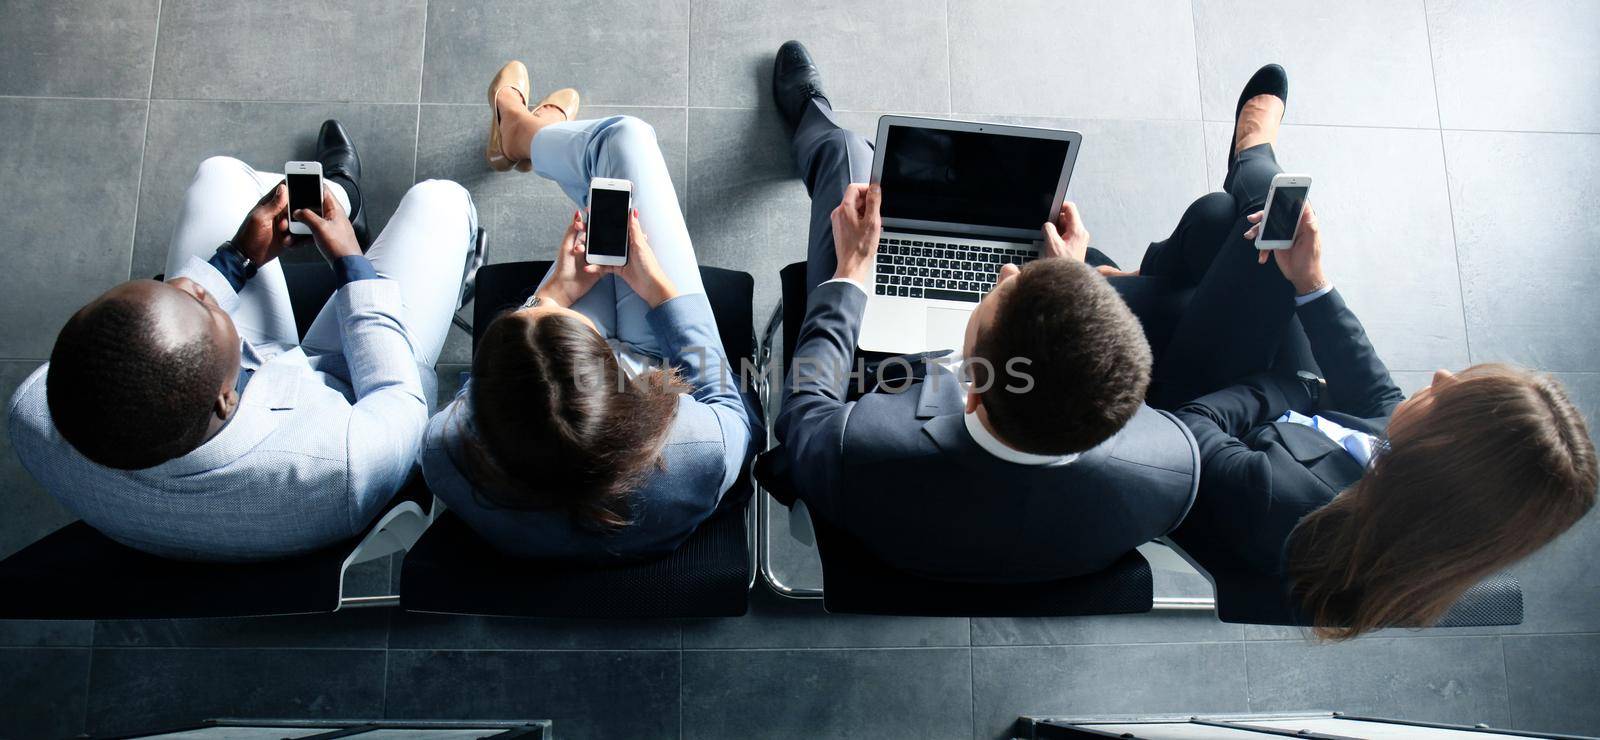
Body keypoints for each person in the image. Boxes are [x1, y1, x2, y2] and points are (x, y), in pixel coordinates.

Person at [1121, 66, 1600, 639]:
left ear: (1443, 456)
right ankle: (1221, 198)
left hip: (1189, 421)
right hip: (1266, 411)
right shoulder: (1418, 496)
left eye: (1451, 399)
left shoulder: (1299, 508)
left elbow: (1189, 425)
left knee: (1230, 227)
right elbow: (1378, 398)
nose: (1443, 376)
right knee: (1242, 232)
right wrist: (1314, 282)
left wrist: (1292, 387)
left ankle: (1248, 159)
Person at [762, 41, 1199, 583]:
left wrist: (851, 272)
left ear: (970, 388)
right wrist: (1071, 277)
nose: (1008, 272)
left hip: (878, 408)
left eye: (997, 294)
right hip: (1037, 549)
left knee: (847, 157)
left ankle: (816, 120)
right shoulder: (1171, 468)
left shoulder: (859, 448)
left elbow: (805, 406)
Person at [7, 122, 477, 561]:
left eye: (166, 286)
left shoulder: (34, 408)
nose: (193, 285)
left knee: (220, 174)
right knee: (440, 201)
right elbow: (399, 398)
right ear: (225, 398)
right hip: (350, 389)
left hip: (230, 389)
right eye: (206, 307)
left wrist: (235, 258)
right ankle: (397, 238)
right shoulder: (342, 463)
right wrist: (351, 265)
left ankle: (337, 196)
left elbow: (171, 329)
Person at [417, 61, 759, 560]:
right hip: (662, 376)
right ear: (608, 366)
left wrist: (552, 297)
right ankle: (526, 135)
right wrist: (659, 290)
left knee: (607, 196)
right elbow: (728, 402)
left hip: (573, 413)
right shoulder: (695, 451)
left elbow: (489, 393)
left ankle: (521, 133)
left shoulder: (446, 454)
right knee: (623, 143)